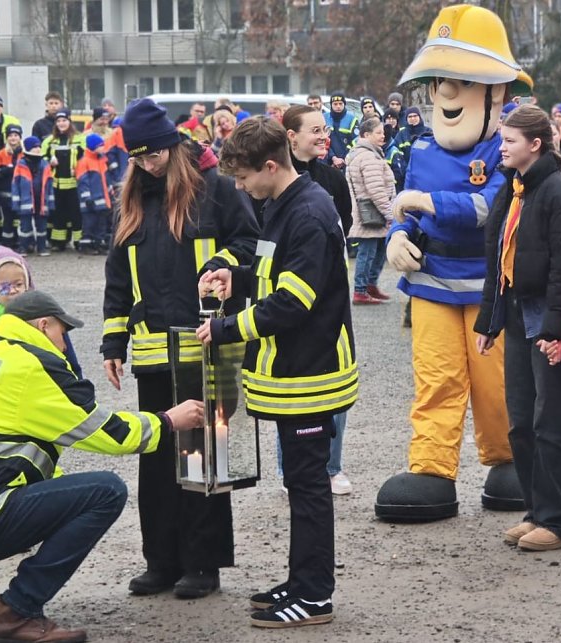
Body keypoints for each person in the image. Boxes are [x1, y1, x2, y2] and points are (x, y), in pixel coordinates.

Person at [0, 290, 205, 642]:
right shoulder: (35, 364)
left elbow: (12, 451)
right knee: (106, 491)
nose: (65, 346)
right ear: (43, 325)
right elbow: (107, 431)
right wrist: (168, 420)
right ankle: (17, 611)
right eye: (64, 334)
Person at [196, 115, 358, 628]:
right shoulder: (283, 205)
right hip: (296, 369)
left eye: (244, 178)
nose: (240, 188)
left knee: (309, 486)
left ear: (271, 166)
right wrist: (236, 275)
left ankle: (314, 597)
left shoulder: (307, 213)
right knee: (302, 484)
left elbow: (293, 302)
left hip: (312, 371)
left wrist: (227, 328)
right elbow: (273, 273)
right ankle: (301, 581)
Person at [101, 98, 260, 598]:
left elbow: (250, 244)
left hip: (204, 348)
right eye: (139, 158)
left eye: (155, 154)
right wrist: (113, 341)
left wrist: (223, 269)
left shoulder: (213, 190)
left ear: (173, 144)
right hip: (152, 355)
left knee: (201, 460)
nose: (149, 164)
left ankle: (202, 564)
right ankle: (162, 561)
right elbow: (118, 283)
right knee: (155, 462)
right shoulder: (130, 205)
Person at [379, 4, 530, 522]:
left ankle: (509, 459)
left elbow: (488, 209)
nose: (446, 93)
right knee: (436, 377)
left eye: (462, 80)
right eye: (442, 79)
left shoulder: (505, 150)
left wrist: (425, 205)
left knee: (495, 383)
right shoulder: (421, 151)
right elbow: (405, 208)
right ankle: (432, 469)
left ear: (498, 92)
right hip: (430, 286)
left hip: (489, 288)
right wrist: (398, 237)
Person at [474, 104, 561, 552]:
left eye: (509, 141)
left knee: (552, 422)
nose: (501, 148)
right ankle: (536, 510)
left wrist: (558, 331)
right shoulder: (512, 188)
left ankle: (560, 521)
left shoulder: (560, 192)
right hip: (518, 315)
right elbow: (496, 259)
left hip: (547, 319)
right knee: (520, 421)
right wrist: (490, 319)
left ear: (535, 145)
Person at [281, 104, 354, 495]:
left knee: (334, 378)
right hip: (287, 293)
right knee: (288, 382)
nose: (323, 136)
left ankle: (331, 465)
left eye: (325, 129)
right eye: (314, 130)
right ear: (291, 136)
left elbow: (343, 225)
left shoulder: (332, 179)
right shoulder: (275, 177)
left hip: (330, 293)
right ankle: (289, 469)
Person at [0, 246, 83, 373]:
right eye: (4, 287)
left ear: (28, 285)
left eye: (19, 284)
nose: (13, 290)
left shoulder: (44, 315)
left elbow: (69, 360)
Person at [346, 117, 395, 305]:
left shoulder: (369, 153)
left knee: (378, 250)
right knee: (367, 252)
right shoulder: (368, 156)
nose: (383, 136)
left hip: (372, 212)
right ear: (366, 135)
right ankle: (360, 290)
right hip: (371, 212)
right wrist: (390, 213)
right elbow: (375, 189)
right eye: (379, 133)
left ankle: (370, 285)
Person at [42, 109, 84, 251]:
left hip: (74, 183)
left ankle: (79, 241)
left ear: (69, 122)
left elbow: (85, 158)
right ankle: (59, 242)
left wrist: (77, 168)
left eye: (64, 120)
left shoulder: (80, 138)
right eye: (58, 121)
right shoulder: (49, 141)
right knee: (58, 213)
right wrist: (49, 160)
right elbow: (41, 158)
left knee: (76, 213)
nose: (61, 123)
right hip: (56, 183)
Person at [12, 137, 53, 257]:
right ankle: (23, 247)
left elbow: (49, 185)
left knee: (42, 227)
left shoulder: (45, 164)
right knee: (25, 227)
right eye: (35, 147)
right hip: (26, 201)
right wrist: (16, 203)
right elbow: (15, 185)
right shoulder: (21, 165)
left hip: (41, 202)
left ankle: (42, 247)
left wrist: (50, 203)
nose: (38, 149)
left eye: (39, 146)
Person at [75, 133, 113, 254]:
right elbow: (82, 181)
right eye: (100, 145)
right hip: (90, 202)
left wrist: (110, 190)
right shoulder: (84, 161)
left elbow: (106, 179)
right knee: (89, 224)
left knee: (100, 223)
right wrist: (86, 198)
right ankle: (86, 245)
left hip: (102, 199)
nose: (103, 147)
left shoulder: (102, 160)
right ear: (93, 147)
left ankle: (98, 244)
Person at [0, 123, 23, 249]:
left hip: (20, 191)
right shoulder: (1, 153)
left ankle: (20, 240)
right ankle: (7, 242)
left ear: (20, 137)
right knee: (8, 217)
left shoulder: (24, 153)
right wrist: (3, 171)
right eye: (10, 135)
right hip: (5, 191)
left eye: (16, 135)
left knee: (19, 218)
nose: (13, 138)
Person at [324, 91, 358, 170]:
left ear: (344, 104)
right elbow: (323, 140)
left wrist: (344, 158)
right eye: (335, 104)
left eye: (340, 104)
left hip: (347, 161)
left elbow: (356, 140)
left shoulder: (352, 119)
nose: (338, 106)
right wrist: (333, 158)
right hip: (328, 161)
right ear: (331, 105)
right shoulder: (324, 118)